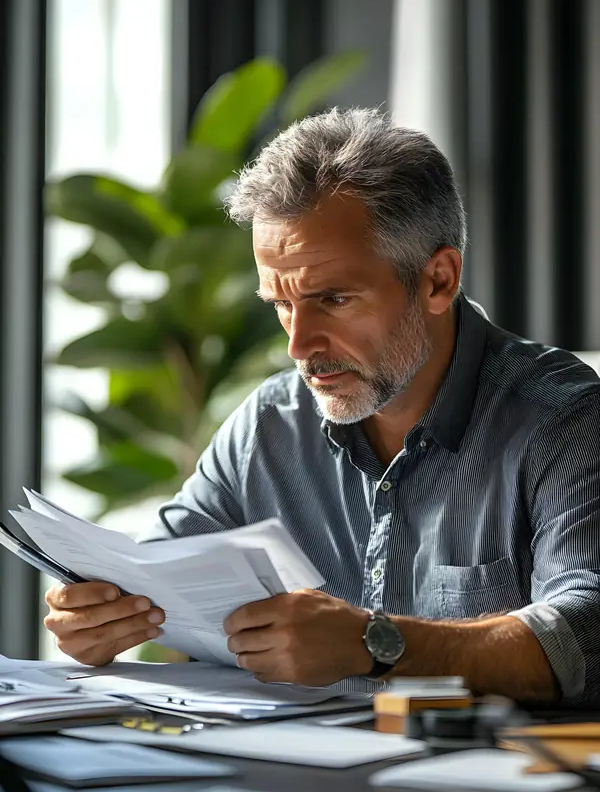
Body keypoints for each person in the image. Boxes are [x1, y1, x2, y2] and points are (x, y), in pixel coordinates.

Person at [44, 108, 600, 705]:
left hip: (491, 789)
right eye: (281, 304)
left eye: (332, 299)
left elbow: (586, 634)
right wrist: (96, 616)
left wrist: (375, 644)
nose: (298, 345)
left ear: (438, 280)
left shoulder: (562, 419)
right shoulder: (269, 427)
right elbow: (156, 570)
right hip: (296, 783)